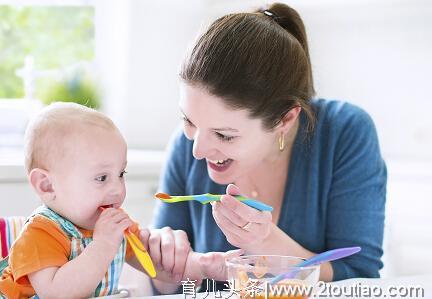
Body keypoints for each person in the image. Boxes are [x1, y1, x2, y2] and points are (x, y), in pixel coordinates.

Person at [148, 2, 387, 294]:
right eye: (189, 120)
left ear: (285, 119)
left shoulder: (345, 134)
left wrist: (264, 243)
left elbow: (360, 275)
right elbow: (165, 287)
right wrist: (164, 264)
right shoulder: (186, 145)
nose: (197, 150)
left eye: (224, 135)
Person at [0, 102, 241, 298]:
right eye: (101, 178)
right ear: (47, 185)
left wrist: (206, 265)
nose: (118, 189)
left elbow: (158, 266)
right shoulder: (39, 235)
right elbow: (56, 293)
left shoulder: (114, 225)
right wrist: (102, 245)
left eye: (121, 174)